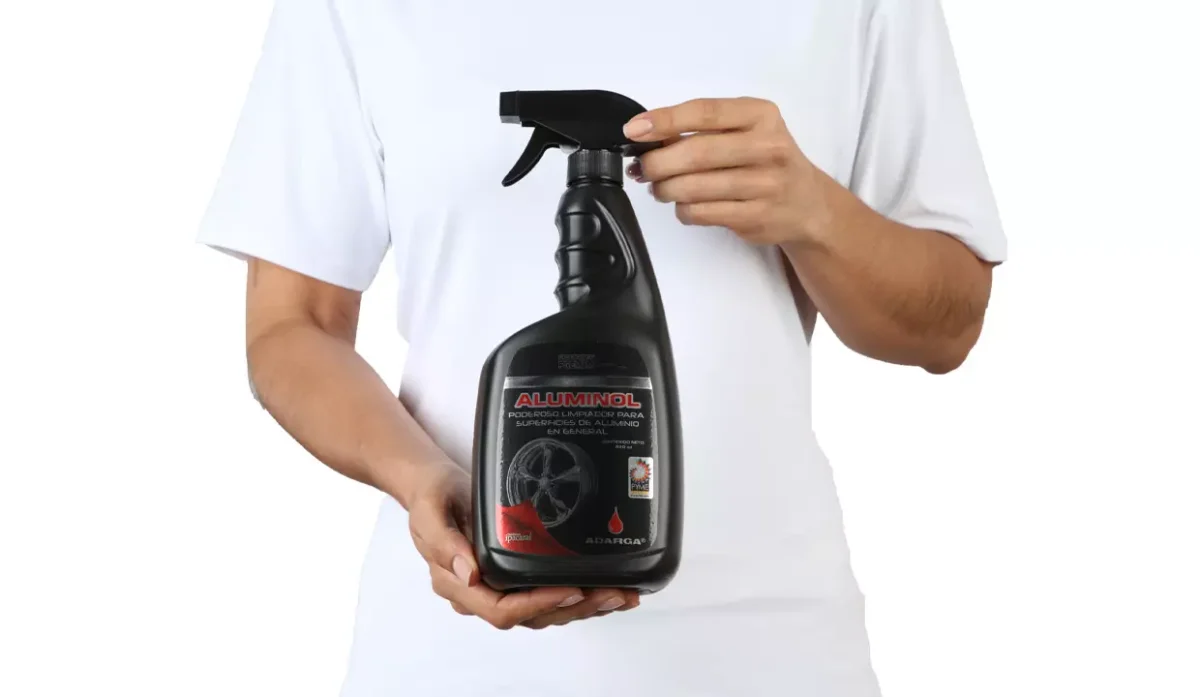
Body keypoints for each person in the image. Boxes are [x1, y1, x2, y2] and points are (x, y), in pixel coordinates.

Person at [197, 0, 1005, 694]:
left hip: (768, 655)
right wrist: (423, 481)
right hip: (453, 663)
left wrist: (816, 213)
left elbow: (946, 326)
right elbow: (290, 328)